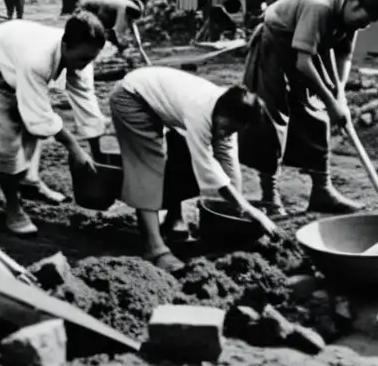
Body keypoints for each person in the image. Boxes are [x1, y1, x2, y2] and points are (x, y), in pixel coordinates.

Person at [238, 0, 378, 216]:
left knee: (316, 114)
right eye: (368, 18)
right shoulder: (319, 7)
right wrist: (331, 101)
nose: (367, 25)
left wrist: (339, 96)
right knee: (273, 119)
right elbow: (304, 63)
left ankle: (322, 191)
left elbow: (343, 55)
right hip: (274, 46)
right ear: (354, 4)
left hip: (308, 51)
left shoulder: (352, 19)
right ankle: (269, 196)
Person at [110, 67, 278, 272]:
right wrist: (248, 208)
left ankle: (173, 218)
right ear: (220, 112)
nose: (226, 134)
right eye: (225, 128)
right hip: (131, 96)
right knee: (148, 167)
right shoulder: (201, 110)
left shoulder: (232, 111)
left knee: (181, 155)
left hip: (164, 104)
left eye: (233, 131)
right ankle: (154, 248)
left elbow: (228, 164)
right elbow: (207, 166)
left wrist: (237, 216)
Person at [0, 13, 107, 235]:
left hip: (16, 54)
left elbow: (88, 105)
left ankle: (30, 181)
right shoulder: (37, 60)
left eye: (90, 59)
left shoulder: (83, 57)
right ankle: (13, 208)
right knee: (7, 141)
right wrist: (75, 148)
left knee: (30, 124)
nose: (85, 65)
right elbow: (39, 117)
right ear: (65, 45)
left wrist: (98, 158)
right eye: (82, 59)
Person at [78, 0, 146, 57]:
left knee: (108, 31)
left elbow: (132, 26)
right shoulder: (124, 8)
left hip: (89, 1)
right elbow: (118, 31)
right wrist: (123, 47)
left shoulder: (123, 4)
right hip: (88, 6)